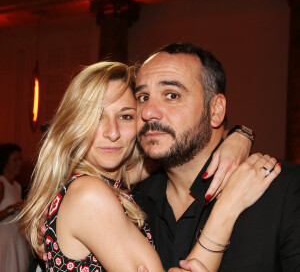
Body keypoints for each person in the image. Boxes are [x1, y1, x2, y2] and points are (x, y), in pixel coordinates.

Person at [19, 61, 280, 272]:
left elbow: (177, 148)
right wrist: (228, 205)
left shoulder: (115, 178)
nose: (112, 133)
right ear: (74, 123)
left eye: (125, 116)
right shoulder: (89, 195)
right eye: (95, 117)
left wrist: (239, 136)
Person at [131, 42, 300, 271]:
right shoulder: (129, 202)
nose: (148, 112)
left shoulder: (284, 190)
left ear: (216, 110)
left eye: (172, 95)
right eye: (142, 97)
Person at [0, 143, 30, 272]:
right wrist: (13, 207)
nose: (19, 163)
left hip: (17, 239)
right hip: (4, 240)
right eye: (15, 160)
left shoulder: (17, 186)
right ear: (4, 162)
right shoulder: (1, 184)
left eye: (20, 159)